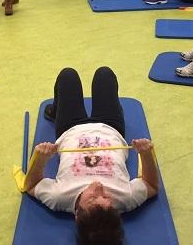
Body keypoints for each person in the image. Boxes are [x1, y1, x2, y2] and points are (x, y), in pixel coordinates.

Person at [25, 67, 159, 245]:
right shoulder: (125, 199)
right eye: (107, 199)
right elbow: (151, 185)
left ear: (77, 214)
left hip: (70, 129)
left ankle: (55, 111)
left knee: (68, 76)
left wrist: (40, 159)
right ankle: (113, 107)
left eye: (92, 198)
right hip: (110, 127)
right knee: (105, 75)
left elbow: (31, 185)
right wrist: (146, 154)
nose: (99, 188)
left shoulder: (59, 197)